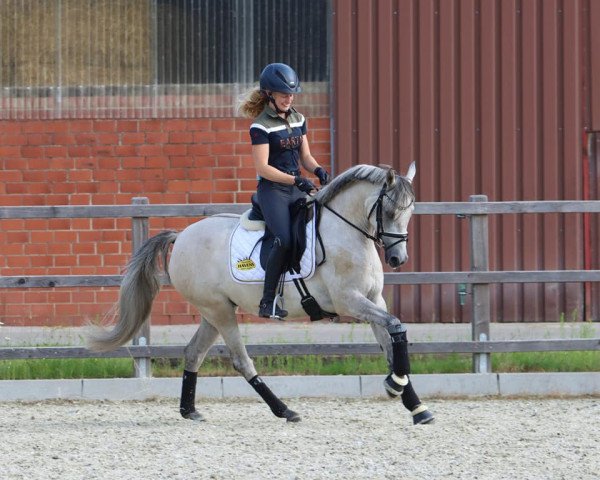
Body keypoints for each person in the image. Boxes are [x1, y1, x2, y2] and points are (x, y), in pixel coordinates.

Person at [239, 63, 330, 319]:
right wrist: (295, 181)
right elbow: (263, 168)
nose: (289, 99)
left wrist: (319, 170)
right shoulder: (260, 126)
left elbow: (306, 156)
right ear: (269, 94)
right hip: (273, 191)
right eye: (283, 95)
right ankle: (267, 301)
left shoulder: (298, 119)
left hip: (295, 187)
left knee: (314, 231)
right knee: (284, 239)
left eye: (291, 94)